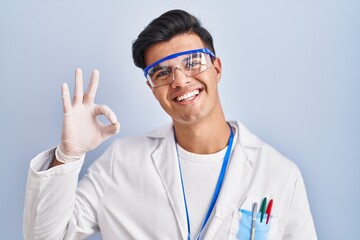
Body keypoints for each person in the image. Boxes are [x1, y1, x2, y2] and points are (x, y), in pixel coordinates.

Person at [23, 9, 317, 240]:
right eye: (161, 73)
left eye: (192, 63)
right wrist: (67, 156)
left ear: (216, 69)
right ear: (152, 88)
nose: (179, 80)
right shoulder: (120, 162)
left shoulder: (280, 173)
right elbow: (43, 237)